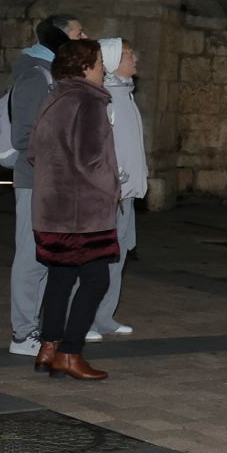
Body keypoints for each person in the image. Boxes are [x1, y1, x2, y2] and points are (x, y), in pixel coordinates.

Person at [29, 37, 120, 381]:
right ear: (84, 67)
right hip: (83, 211)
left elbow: (34, 151)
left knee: (61, 276)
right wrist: (112, 187)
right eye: (98, 62)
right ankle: (70, 352)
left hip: (52, 208)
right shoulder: (88, 101)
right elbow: (91, 158)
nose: (103, 68)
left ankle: (48, 347)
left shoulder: (53, 98)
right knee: (96, 279)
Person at [6, 14, 84, 355]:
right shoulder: (35, 76)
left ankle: (31, 327)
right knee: (30, 255)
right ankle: (22, 334)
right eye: (79, 32)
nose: (85, 37)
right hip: (36, 180)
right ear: (61, 37)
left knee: (43, 255)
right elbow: (24, 137)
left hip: (49, 179)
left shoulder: (49, 74)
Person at [90, 38, 145, 339]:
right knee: (97, 258)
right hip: (109, 193)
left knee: (118, 257)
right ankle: (83, 319)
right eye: (127, 54)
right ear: (112, 61)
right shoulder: (106, 96)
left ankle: (104, 316)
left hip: (126, 194)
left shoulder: (126, 95)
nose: (134, 58)